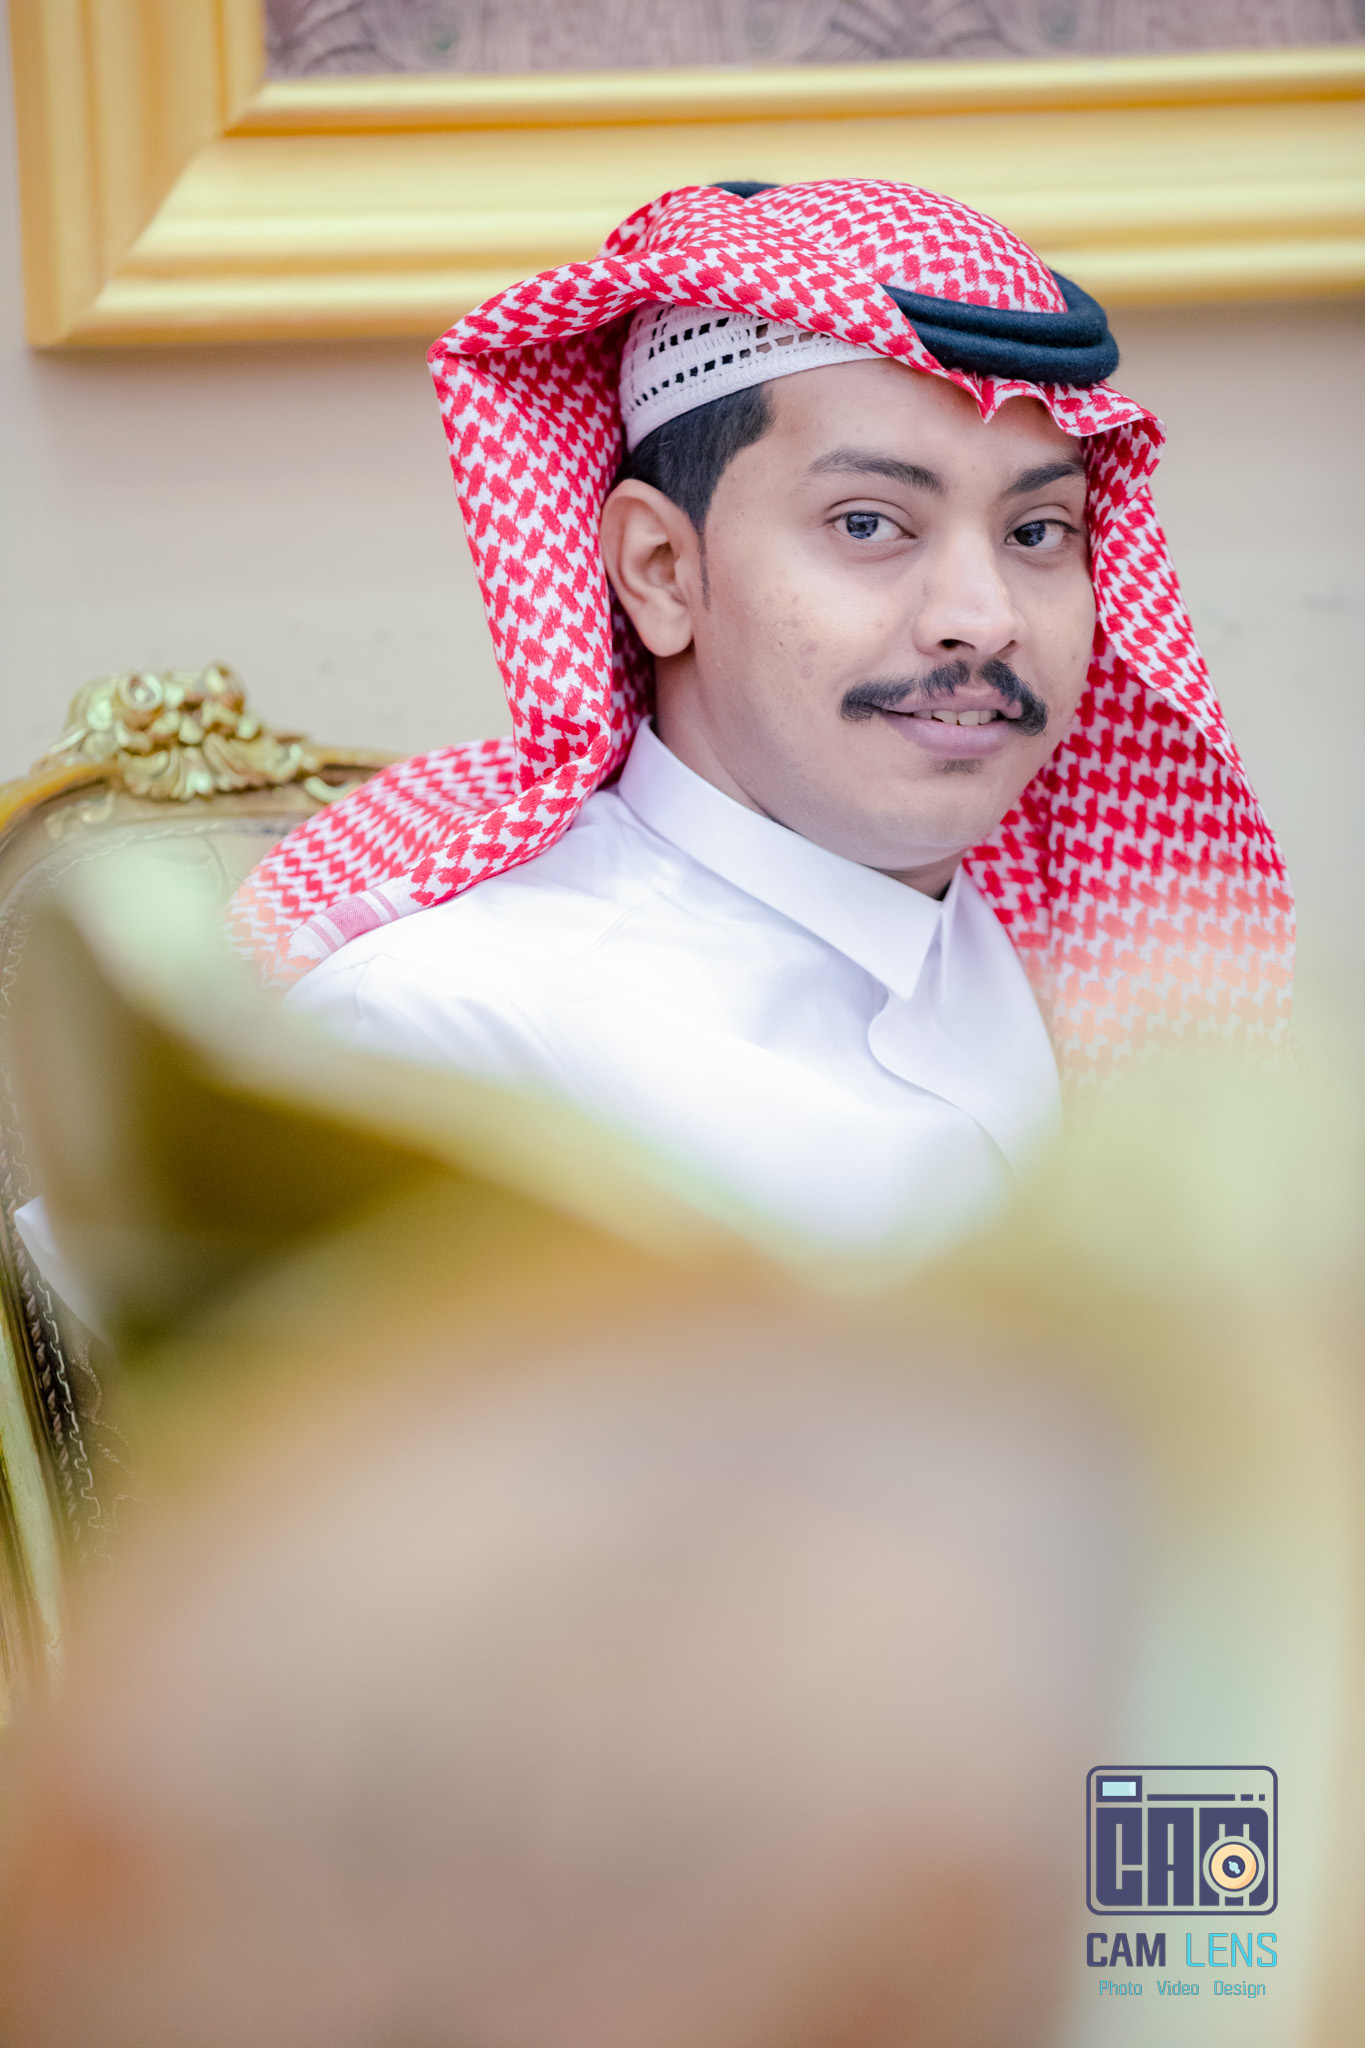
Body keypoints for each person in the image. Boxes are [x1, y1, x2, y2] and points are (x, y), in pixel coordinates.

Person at [232, 181, 1292, 1244]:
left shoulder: (1071, 951)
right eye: (868, 523)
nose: (983, 619)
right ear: (660, 569)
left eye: (1038, 532)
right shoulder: (448, 1040)